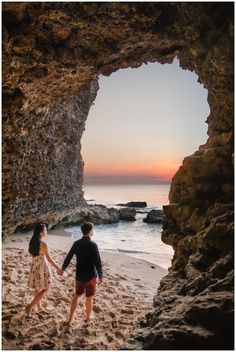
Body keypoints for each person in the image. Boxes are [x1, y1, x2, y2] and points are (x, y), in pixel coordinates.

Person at [60, 222, 103, 325]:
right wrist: (101, 274)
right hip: (91, 276)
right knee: (89, 297)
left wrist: (63, 268)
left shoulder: (77, 243)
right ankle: (88, 318)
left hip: (80, 275)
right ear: (90, 231)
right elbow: (98, 261)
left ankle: (70, 319)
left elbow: (69, 257)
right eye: (92, 229)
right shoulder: (93, 245)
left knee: (77, 295)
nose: (93, 231)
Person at [26, 222, 61, 317]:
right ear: (41, 233)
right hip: (42, 267)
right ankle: (30, 306)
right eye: (45, 230)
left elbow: (33, 255)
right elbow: (49, 259)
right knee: (46, 288)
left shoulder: (32, 242)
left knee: (37, 287)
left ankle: (38, 305)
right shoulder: (43, 244)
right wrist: (58, 268)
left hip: (35, 266)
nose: (46, 232)